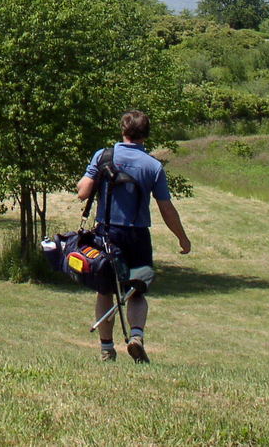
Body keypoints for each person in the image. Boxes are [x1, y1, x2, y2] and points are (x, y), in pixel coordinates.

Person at [76, 110, 191, 363]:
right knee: (137, 291)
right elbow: (166, 207)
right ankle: (136, 336)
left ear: (123, 131)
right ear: (146, 134)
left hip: (106, 233)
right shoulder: (153, 166)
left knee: (105, 291)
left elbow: (83, 192)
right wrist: (182, 238)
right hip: (137, 235)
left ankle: (107, 349)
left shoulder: (104, 156)